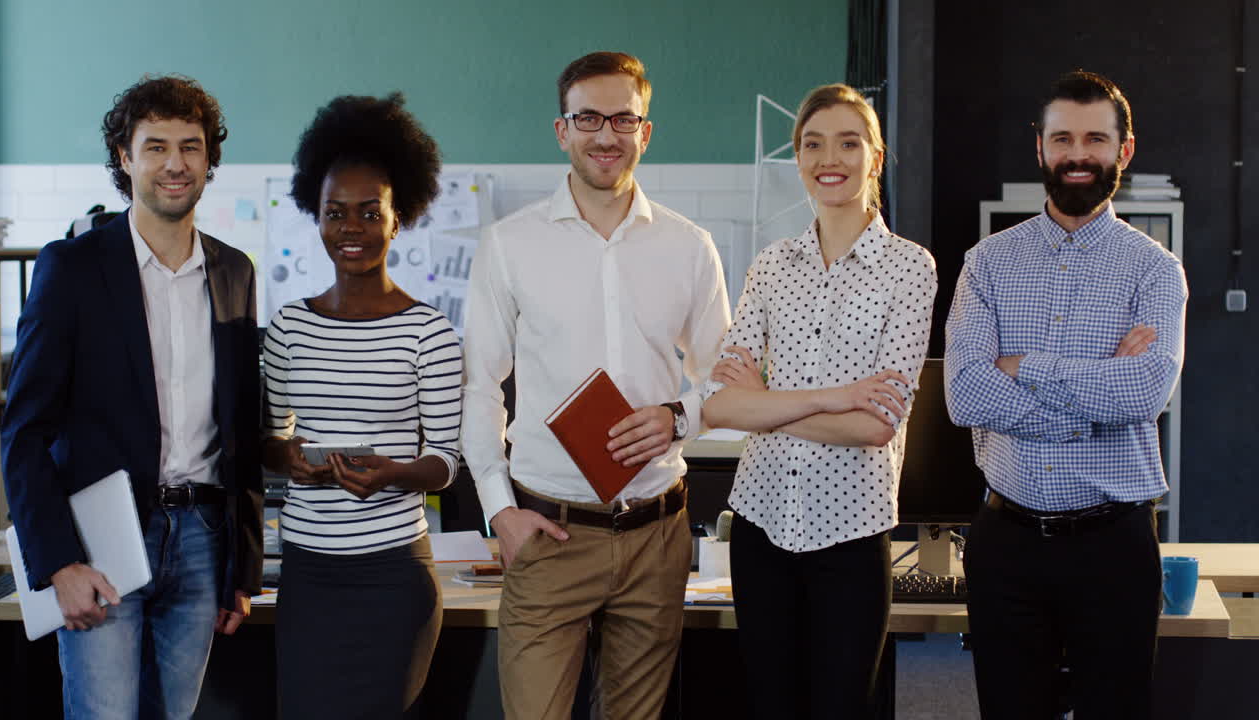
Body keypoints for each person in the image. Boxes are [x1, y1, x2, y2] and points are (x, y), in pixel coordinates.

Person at [460, 51, 731, 719]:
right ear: (562, 130)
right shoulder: (509, 244)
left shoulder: (689, 246)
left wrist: (680, 416)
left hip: (655, 534)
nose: (606, 135)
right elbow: (478, 385)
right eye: (589, 118)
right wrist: (498, 509)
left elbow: (727, 376)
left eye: (623, 119)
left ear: (646, 131)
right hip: (547, 532)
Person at [0, 74, 262, 719]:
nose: (175, 164)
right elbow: (25, 430)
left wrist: (244, 568)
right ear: (125, 157)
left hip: (203, 537)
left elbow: (242, 429)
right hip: (103, 542)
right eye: (156, 146)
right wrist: (58, 562)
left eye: (192, 147)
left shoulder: (235, 271)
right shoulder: (72, 267)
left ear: (210, 161)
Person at [944, 70, 1187, 719]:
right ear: (1041, 148)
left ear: (1123, 151)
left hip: (1115, 545)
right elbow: (966, 395)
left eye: (1096, 139)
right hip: (1006, 542)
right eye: (1063, 138)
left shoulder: (1157, 272)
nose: (1079, 154)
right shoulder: (987, 263)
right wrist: (1093, 394)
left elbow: (1145, 391)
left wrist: (1023, 366)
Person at [701, 83, 937, 719]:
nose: (828, 157)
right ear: (798, 158)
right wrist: (831, 399)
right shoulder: (772, 265)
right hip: (760, 524)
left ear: (875, 158)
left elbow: (874, 425)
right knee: (769, 706)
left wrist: (768, 401)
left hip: (852, 534)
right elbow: (719, 405)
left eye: (848, 142)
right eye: (812, 143)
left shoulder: (911, 268)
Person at [261, 93, 459, 719]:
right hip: (307, 577)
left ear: (398, 218)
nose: (352, 229)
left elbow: (448, 461)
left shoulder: (430, 333)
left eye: (369, 212)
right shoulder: (289, 327)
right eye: (335, 213)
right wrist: (289, 458)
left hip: (394, 580)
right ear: (314, 219)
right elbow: (268, 439)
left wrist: (394, 473)